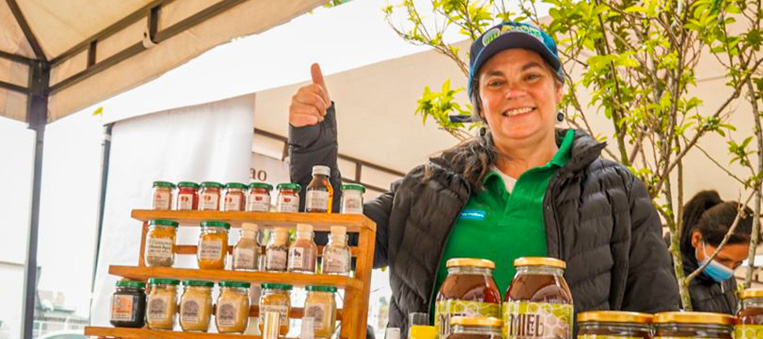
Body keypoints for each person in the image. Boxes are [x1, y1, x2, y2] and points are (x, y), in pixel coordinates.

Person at [288, 21, 680, 334]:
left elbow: (657, 310)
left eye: (532, 76)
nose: (514, 92)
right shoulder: (425, 188)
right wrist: (313, 149)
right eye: (495, 82)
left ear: (558, 89)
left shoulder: (617, 191)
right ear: (478, 103)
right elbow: (329, 242)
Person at [679, 190, 755, 314]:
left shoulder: (726, 280)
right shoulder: (667, 275)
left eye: (738, 263)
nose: (729, 270)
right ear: (697, 239)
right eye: (722, 260)